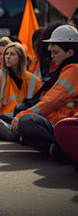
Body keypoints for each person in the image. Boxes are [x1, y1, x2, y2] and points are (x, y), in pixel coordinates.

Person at [14, 25, 78, 161]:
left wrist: (21, 116)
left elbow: (51, 101)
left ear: (70, 53)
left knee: (26, 121)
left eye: (55, 52)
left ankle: (61, 150)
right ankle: (56, 150)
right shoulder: (66, 68)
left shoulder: (74, 70)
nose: (51, 55)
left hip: (63, 126)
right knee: (23, 123)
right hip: (57, 122)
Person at [0, 42, 42, 141]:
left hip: (23, 119)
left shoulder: (34, 80)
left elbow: (39, 105)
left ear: (21, 58)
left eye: (12, 54)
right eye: (6, 54)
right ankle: (18, 136)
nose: (7, 57)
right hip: (3, 118)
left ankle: (11, 133)